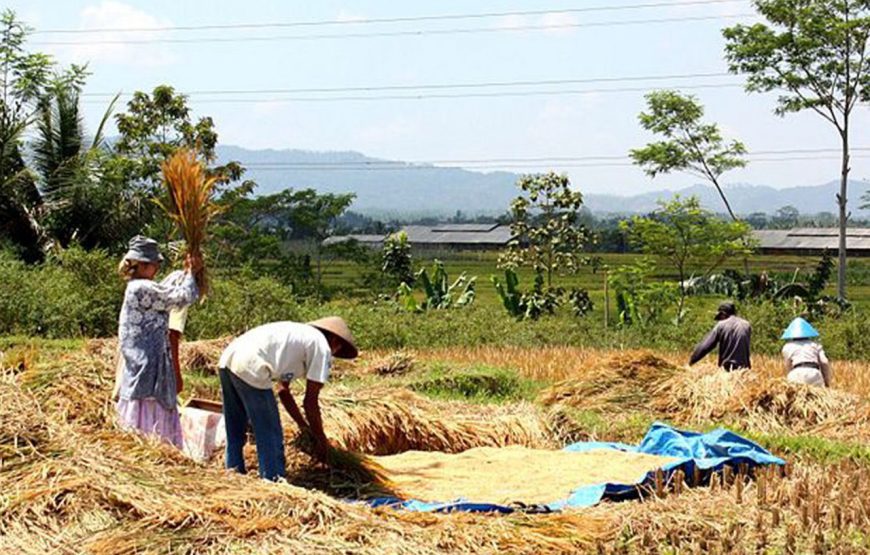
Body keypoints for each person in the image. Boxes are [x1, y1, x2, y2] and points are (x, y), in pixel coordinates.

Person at [217, 317, 358, 481]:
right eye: (338, 348)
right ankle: (273, 480)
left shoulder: (301, 338)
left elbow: (283, 391)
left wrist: (304, 426)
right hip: (252, 364)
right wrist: (321, 440)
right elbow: (310, 402)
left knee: (235, 428)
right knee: (270, 433)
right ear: (334, 340)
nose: (334, 354)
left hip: (228, 358)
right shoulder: (321, 346)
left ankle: (233, 476)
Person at [114, 235, 201, 447]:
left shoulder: (142, 286)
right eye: (155, 264)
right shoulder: (141, 288)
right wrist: (191, 272)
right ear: (144, 265)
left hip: (145, 363)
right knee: (148, 421)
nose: (157, 268)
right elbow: (182, 297)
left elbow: (166, 291)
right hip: (147, 366)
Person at [689, 301, 752, 371]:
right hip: (744, 370)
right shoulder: (746, 325)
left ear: (723, 314)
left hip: (728, 369)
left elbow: (705, 346)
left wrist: (692, 361)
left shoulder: (721, 325)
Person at [781, 317, 832, 387]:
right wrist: (827, 382)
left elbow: (788, 366)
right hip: (814, 374)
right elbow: (824, 362)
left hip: (796, 374)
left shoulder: (787, 347)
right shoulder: (815, 345)